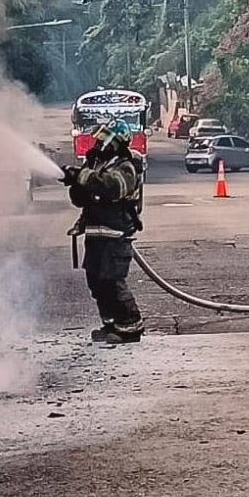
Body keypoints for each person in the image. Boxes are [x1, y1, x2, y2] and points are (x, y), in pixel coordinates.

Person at [61, 119, 144, 343]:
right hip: (95, 235)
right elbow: (80, 200)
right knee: (96, 282)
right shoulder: (97, 165)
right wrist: (74, 181)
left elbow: (112, 188)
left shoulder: (125, 166)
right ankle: (110, 325)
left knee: (112, 281)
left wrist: (83, 176)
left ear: (115, 142)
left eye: (103, 139)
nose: (98, 143)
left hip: (116, 236)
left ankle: (130, 327)